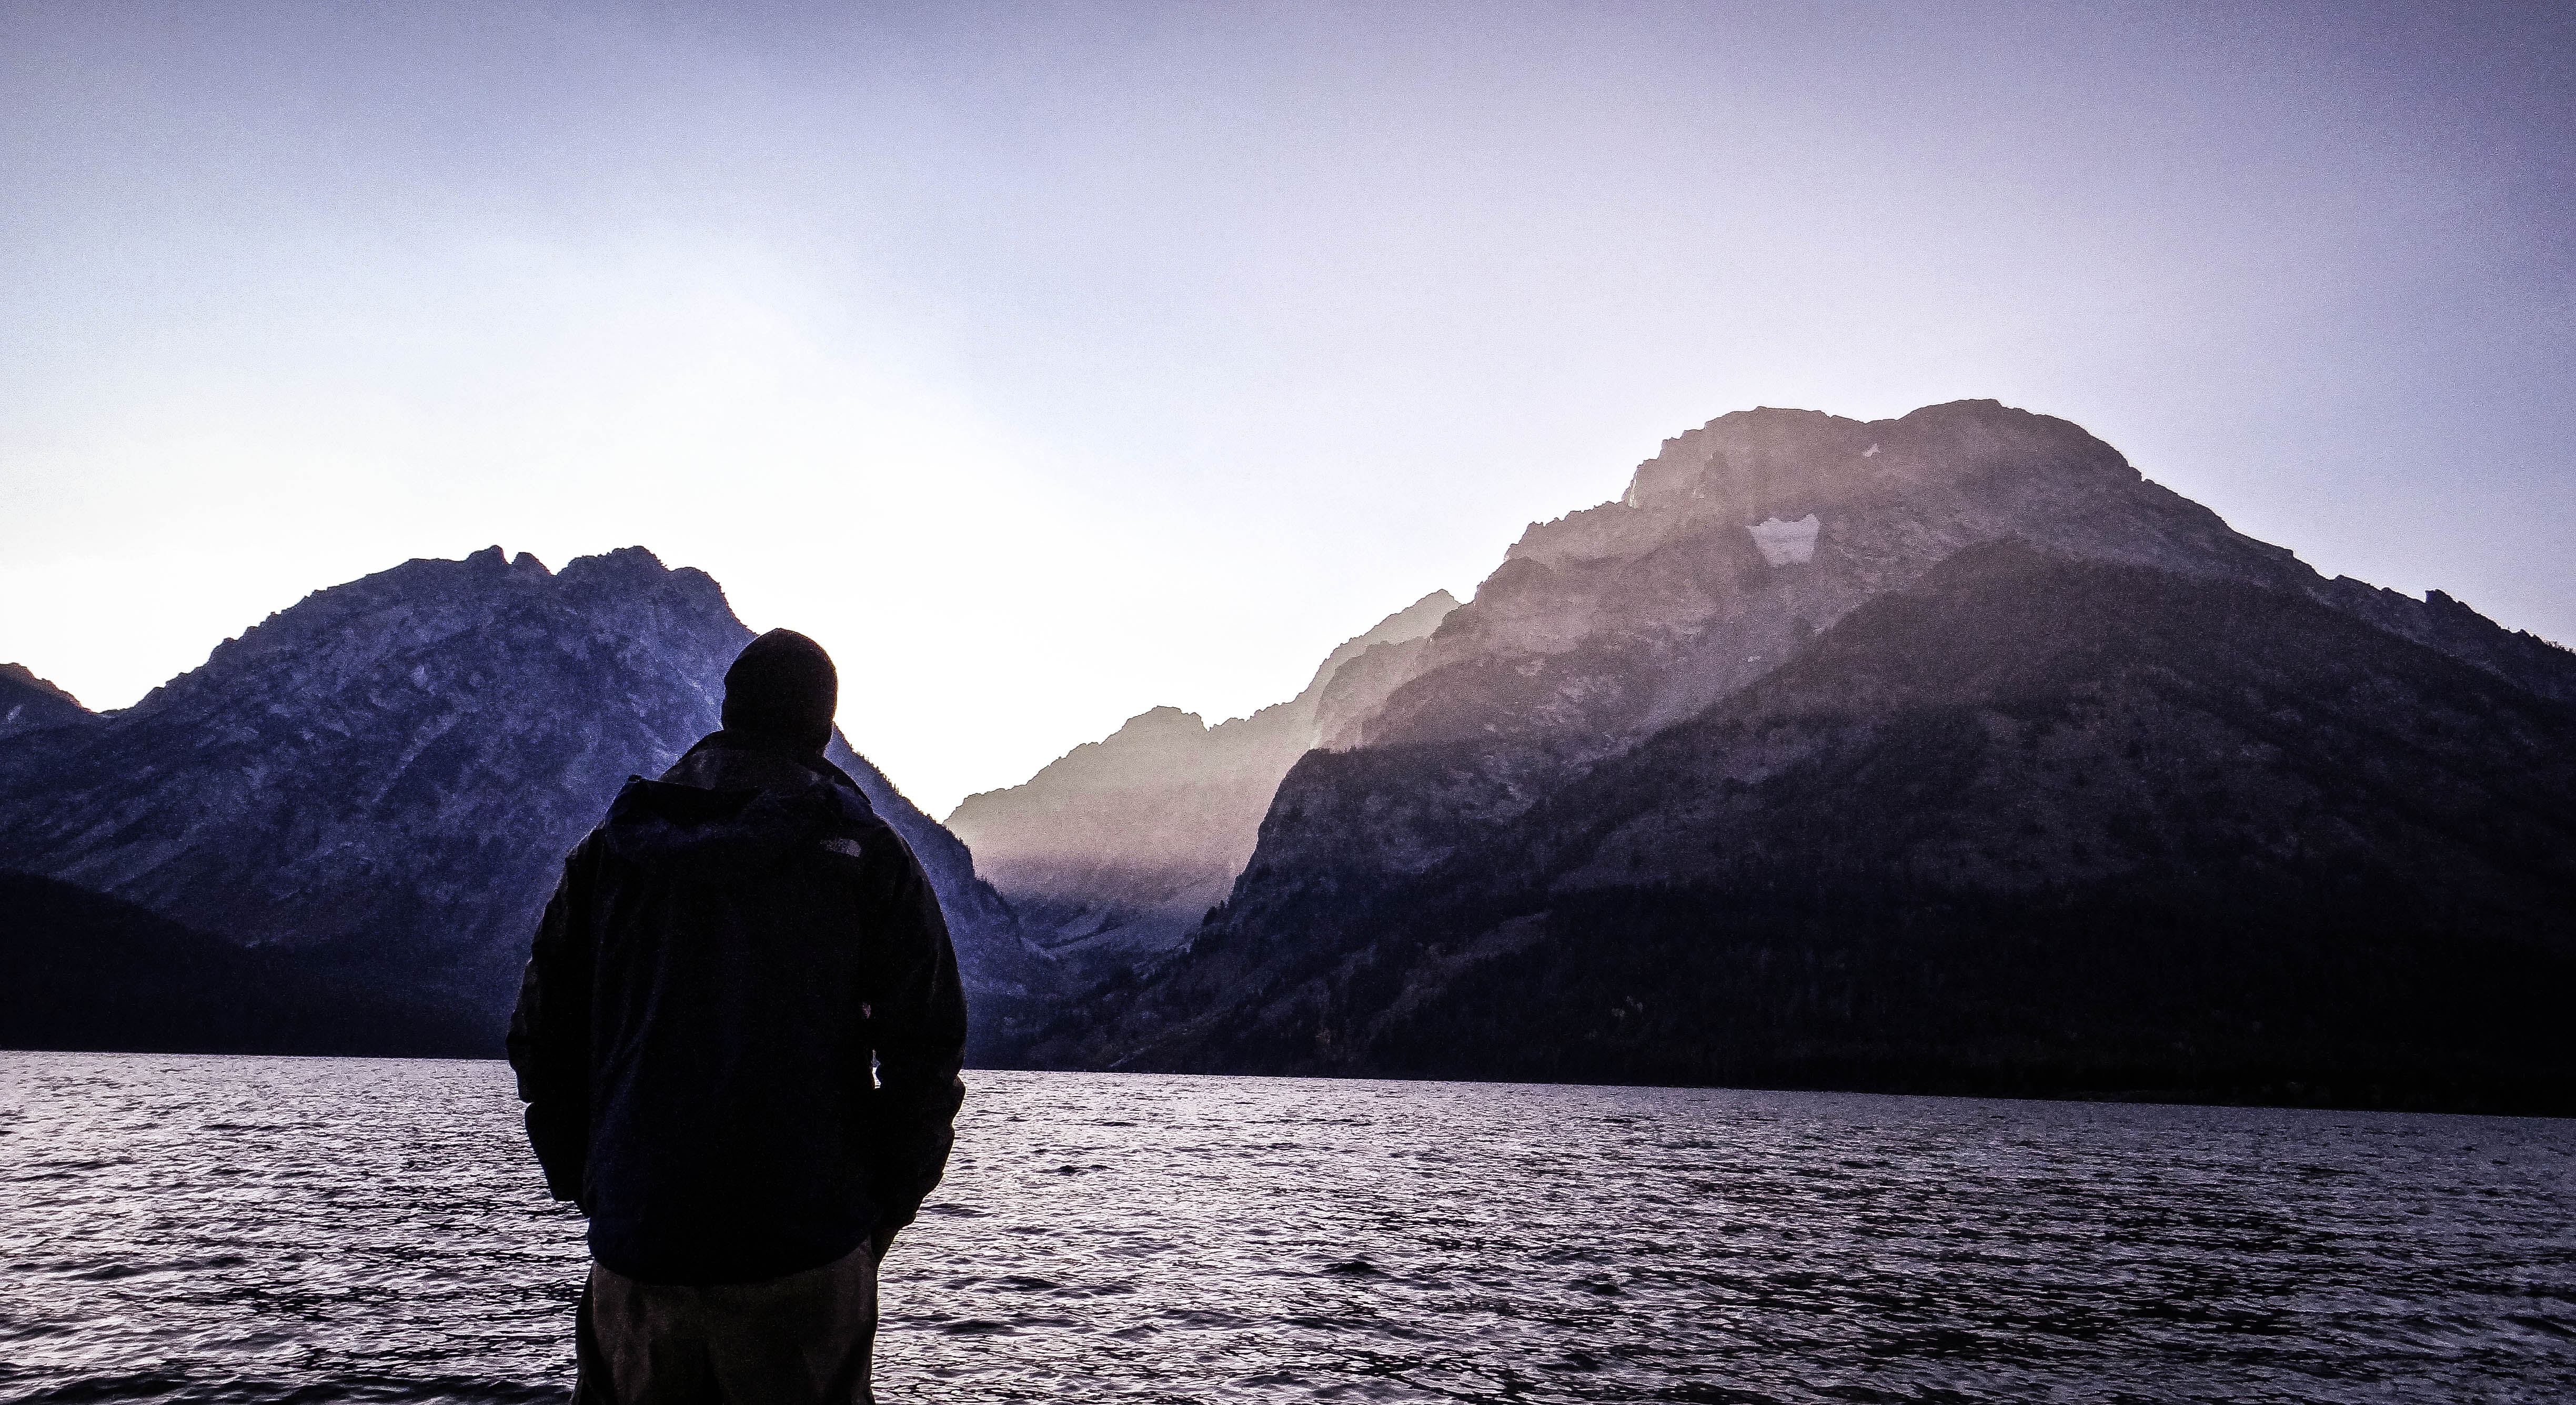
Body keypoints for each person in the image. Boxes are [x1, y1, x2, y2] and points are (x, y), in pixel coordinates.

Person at [507, 628, 968, 1404]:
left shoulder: (611, 854)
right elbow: (928, 1051)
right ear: (823, 727)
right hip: (803, 1264)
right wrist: (873, 1217)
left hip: (639, 1258)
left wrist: (597, 1182)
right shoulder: (865, 854)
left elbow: (538, 1038)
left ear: (726, 711)